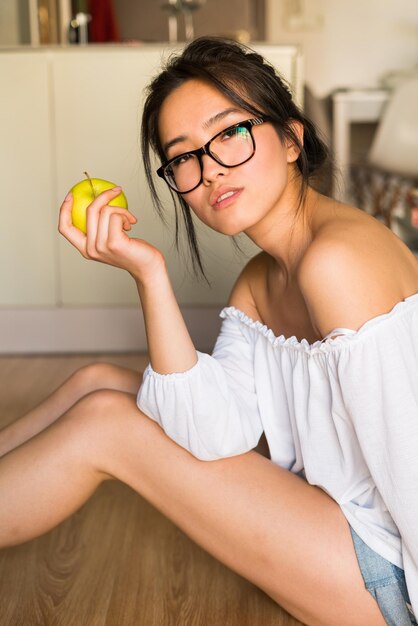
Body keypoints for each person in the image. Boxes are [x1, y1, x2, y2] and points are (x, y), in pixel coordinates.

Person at [1, 37, 418, 626]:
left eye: (229, 133)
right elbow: (210, 430)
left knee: (106, 425)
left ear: (292, 139)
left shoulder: (338, 263)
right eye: (184, 157)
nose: (210, 169)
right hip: (342, 533)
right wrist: (148, 273)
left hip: (390, 574)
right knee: (97, 381)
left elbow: (412, 464)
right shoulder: (258, 279)